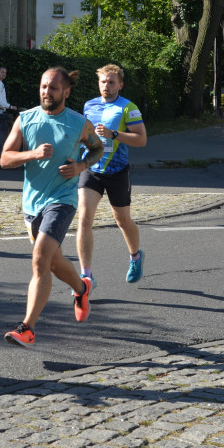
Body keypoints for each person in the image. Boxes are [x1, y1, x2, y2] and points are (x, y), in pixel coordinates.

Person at [0, 67, 105, 348]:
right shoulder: (25, 120)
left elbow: (97, 148)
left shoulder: (78, 123)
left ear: (66, 92)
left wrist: (81, 166)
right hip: (32, 203)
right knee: (55, 262)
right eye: (44, 86)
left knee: (40, 259)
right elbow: (5, 158)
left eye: (53, 88)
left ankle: (28, 328)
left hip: (63, 200)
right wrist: (32, 154)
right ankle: (82, 289)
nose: (47, 92)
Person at [75, 64, 148, 287]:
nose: (106, 86)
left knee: (122, 220)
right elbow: (83, 135)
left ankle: (135, 256)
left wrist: (114, 134)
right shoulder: (89, 105)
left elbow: (141, 139)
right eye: (103, 82)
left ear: (120, 84)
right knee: (84, 219)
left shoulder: (128, 108)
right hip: (92, 169)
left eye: (111, 82)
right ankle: (86, 275)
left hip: (117, 171)